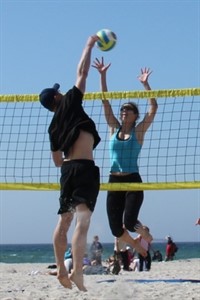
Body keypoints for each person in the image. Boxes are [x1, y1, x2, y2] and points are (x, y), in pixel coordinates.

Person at [39, 34, 101, 292]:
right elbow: (82, 72)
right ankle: (76, 272)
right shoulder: (71, 103)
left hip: (68, 170)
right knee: (82, 221)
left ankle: (62, 269)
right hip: (85, 169)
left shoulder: (54, 127)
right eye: (59, 91)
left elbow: (56, 161)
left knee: (64, 221)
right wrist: (88, 45)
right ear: (56, 98)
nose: (62, 91)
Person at [92, 57, 158, 257]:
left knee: (129, 222)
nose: (123, 112)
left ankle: (144, 234)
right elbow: (105, 101)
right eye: (122, 109)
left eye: (128, 109)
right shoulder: (113, 127)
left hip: (132, 180)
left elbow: (153, 108)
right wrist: (102, 75)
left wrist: (146, 84)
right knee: (115, 228)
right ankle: (137, 246)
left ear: (135, 115)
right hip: (114, 180)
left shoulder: (138, 132)